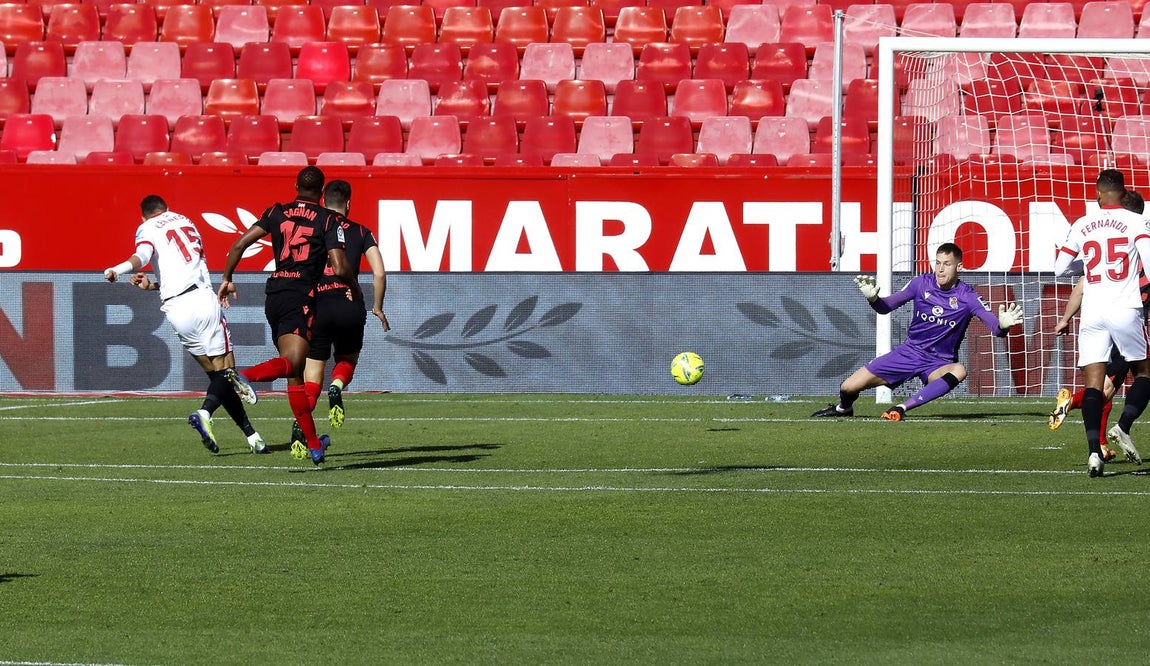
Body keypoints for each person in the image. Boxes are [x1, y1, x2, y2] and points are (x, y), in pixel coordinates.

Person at [103, 195, 267, 455]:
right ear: (166, 209)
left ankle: (253, 436)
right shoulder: (185, 221)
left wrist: (121, 270)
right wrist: (125, 270)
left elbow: (142, 255)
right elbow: (187, 267)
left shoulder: (146, 228)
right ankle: (204, 413)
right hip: (201, 299)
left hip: (175, 309)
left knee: (217, 377)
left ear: (143, 216)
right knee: (227, 371)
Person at [217, 166, 356, 466]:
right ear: (321, 192)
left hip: (274, 295)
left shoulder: (276, 211)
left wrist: (227, 278)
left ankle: (315, 445)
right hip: (300, 297)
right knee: (294, 363)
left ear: (295, 185)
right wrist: (355, 287)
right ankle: (244, 376)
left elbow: (239, 244)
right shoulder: (328, 219)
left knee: (294, 377)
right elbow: (340, 266)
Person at [811, 242, 1024, 422]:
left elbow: (997, 330)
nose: (940, 269)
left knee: (959, 370)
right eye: (937, 263)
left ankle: (901, 408)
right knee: (848, 387)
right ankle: (843, 409)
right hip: (909, 353)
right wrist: (873, 299)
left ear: (959, 267)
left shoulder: (968, 297)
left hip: (939, 362)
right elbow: (885, 308)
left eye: (947, 264)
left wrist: (1004, 326)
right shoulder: (921, 284)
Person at [1053, 169, 1150, 477]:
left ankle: (1094, 452)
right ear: (1123, 193)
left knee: (1094, 384)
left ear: (1097, 194)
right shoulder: (1136, 220)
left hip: (1092, 310)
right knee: (1145, 373)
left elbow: (1058, 269)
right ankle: (1123, 426)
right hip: (1125, 306)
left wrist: (1096, 266)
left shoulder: (1082, 224)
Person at [288, 180, 390, 455]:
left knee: (310, 381)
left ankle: (301, 428)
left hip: (318, 308)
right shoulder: (361, 231)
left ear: (322, 202)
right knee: (346, 360)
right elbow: (379, 273)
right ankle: (337, 385)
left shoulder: (311, 229)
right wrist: (377, 306)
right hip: (349, 305)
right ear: (349, 203)